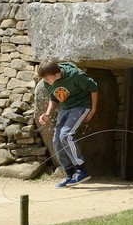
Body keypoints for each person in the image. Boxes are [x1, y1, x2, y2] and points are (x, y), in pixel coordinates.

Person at [35, 59, 98, 187]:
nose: (45, 81)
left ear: (55, 73)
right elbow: (54, 98)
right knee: (56, 140)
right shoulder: (48, 81)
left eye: (47, 78)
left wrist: (93, 109)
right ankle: (70, 174)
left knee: (66, 135)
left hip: (81, 106)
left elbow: (94, 87)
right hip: (65, 108)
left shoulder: (75, 75)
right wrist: (47, 114)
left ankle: (82, 170)